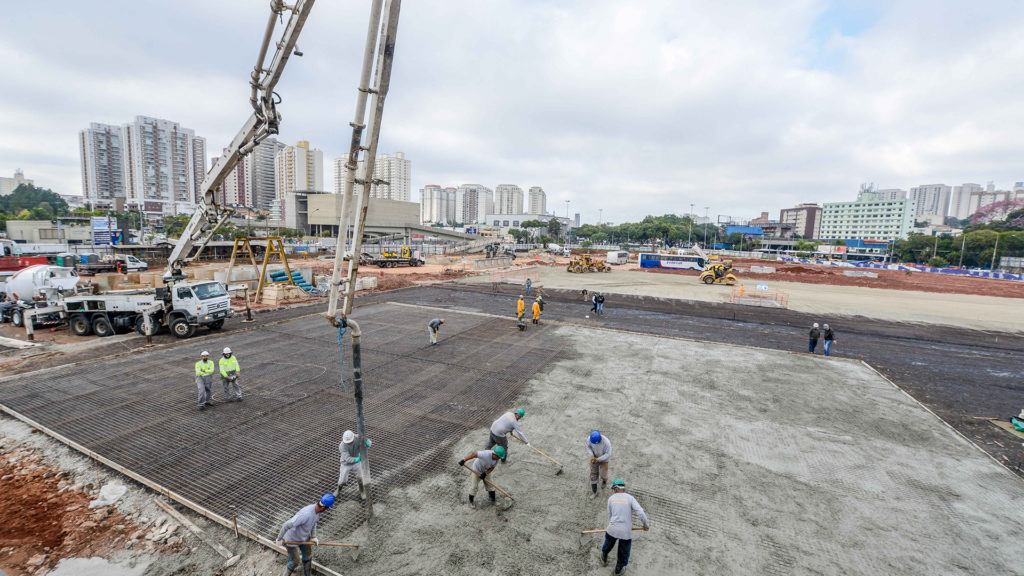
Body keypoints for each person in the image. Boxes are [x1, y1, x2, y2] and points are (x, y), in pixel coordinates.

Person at [275, 493, 335, 576]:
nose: (327, 510)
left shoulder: (318, 511)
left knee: (307, 556)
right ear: (324, 507)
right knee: (294, 562)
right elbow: (286, 525)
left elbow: (314, 522)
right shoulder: (305, 514)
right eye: (328, 508)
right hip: (292, 538)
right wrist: (279, 539)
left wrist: (313, 536)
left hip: (304, 537)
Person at [601, 478, 650, 575]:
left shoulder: (611, 499)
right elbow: (640, 512)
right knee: (624, 551)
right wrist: (646, 525)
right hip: (626, 531)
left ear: (615, 488)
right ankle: (618, 569)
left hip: (613, 528)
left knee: (608, 543)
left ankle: (604, 556)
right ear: (622, 488)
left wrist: (614, 525)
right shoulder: (630, 498)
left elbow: (610, 516)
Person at [335, 429, 371, 500]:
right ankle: (338, 490)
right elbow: (347, 458)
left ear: (353, 438)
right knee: (342, 480)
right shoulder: (342, 446)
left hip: (357, 462)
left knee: (360, 477)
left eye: (350, 442)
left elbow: (367, 443)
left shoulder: (358, 438)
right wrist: (357, 459)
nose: (349, 443)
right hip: (346, 464)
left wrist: (367, 443)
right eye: (347, 442)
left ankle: (362, 491)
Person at [587, 430, 612, 497]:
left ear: (600, 438)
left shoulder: (606, 442)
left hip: (604, 460)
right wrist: (592, 455)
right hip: (594, 458)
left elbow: (608, 454)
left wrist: (598, 459)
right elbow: (588, 447)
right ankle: (594, 491)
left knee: (603, 474)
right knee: (593, 474)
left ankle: (604, 480)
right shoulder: (590, 439)